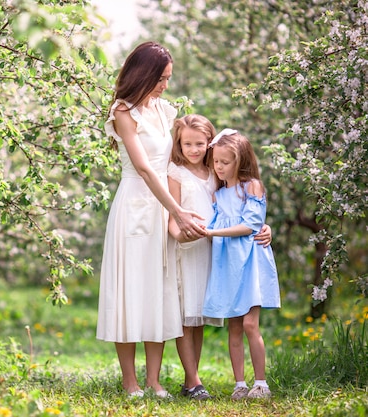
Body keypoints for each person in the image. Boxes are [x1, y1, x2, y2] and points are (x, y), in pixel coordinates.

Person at [96, 41, 207, 398]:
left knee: (160, 291)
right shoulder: (123, 111)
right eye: (160, 78)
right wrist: (175, 210)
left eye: (168, 78)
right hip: (135, 208)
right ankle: (130, 382)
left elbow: (182, 158)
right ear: (143, 75)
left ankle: (154, 381)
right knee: (130, 290)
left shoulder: (165, 109)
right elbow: (144, 167)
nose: (164, 86)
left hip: (165, 206)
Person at [167, 116, 273, 401]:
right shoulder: (194, 179)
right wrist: (188, 233)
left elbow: (248, 219)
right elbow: (176, 217)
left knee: (231, 322)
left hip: (236, 258)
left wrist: (265, 227)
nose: (195, 149)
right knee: (206, 321)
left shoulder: (232, 182)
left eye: (200, 144)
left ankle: (257, 382)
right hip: (212, 256)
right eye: (187, 143)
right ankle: (216, 382)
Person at [202, 129, 281, 400]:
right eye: (216, 162)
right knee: (234, 326)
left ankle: (261, 383)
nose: (219, 167)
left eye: (225, 162)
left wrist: (213, 234)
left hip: (251, 264)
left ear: (240, 160)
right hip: (229, 266)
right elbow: (212, 223)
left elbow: (250, 224)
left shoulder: (252, 187)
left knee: (250, 324)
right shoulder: (218, 195)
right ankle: (240, 384)